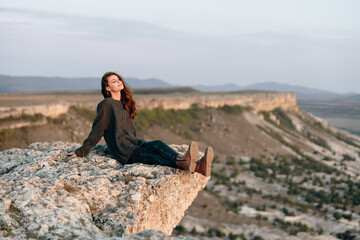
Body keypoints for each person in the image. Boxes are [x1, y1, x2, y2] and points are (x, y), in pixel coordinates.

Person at [66, 72, 213, 176]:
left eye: (118, 79)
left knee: (157, 144)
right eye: (113, 81)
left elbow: (130, 130)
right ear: (108, 88)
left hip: (134, 143)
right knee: (156, 158)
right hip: (123, 150)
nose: (118, 82)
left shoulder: (125, 103)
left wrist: (138, 142)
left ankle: (193, 164)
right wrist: (81, 151)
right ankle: (188, 163)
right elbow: (98, 129)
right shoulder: (106, 104)